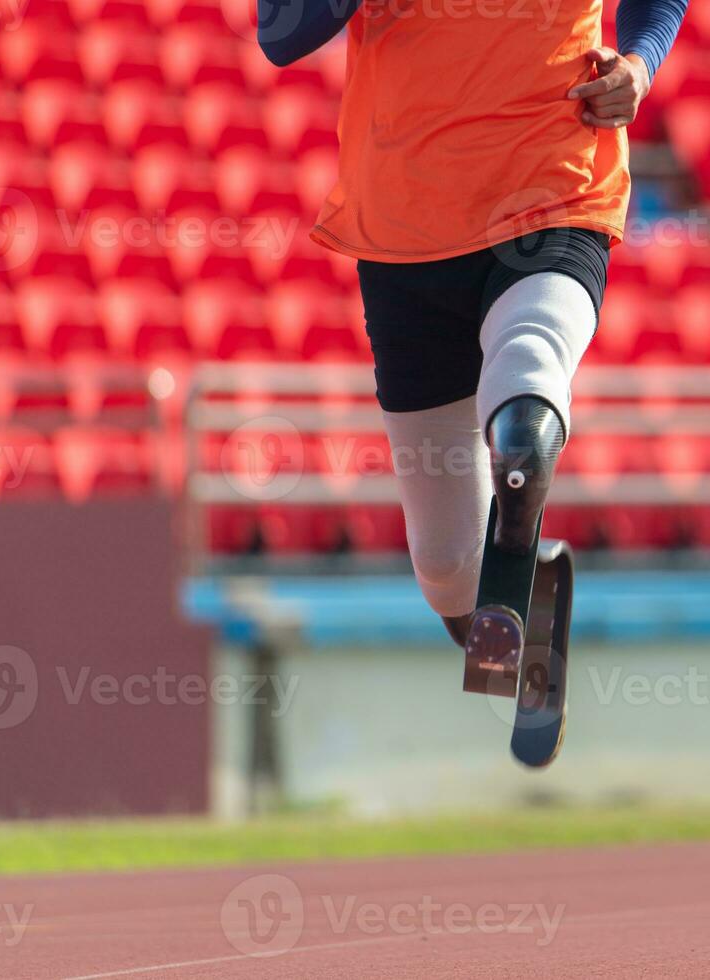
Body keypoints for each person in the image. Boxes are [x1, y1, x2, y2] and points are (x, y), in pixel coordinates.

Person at [256, 0, 687, 644]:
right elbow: (281, 33)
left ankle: (518, 502)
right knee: (450, 572)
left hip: (551, 186)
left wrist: (640, 64)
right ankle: (521, 565)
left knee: (527, 376)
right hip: (406, 225)